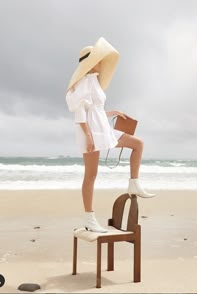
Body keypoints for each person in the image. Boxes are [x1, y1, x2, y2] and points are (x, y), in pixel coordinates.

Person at [65, 37, 156, 233]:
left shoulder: (93, 82)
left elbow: (94, 109)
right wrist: (88, 136)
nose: (100, 63)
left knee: (137, 144)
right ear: (90, 63)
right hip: (89, 132)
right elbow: (80, 113)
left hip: (100, 129)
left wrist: (112, 112)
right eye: (98, 60)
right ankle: (89, 218)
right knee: (90, 175)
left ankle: (134, 184)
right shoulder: (84, 83)